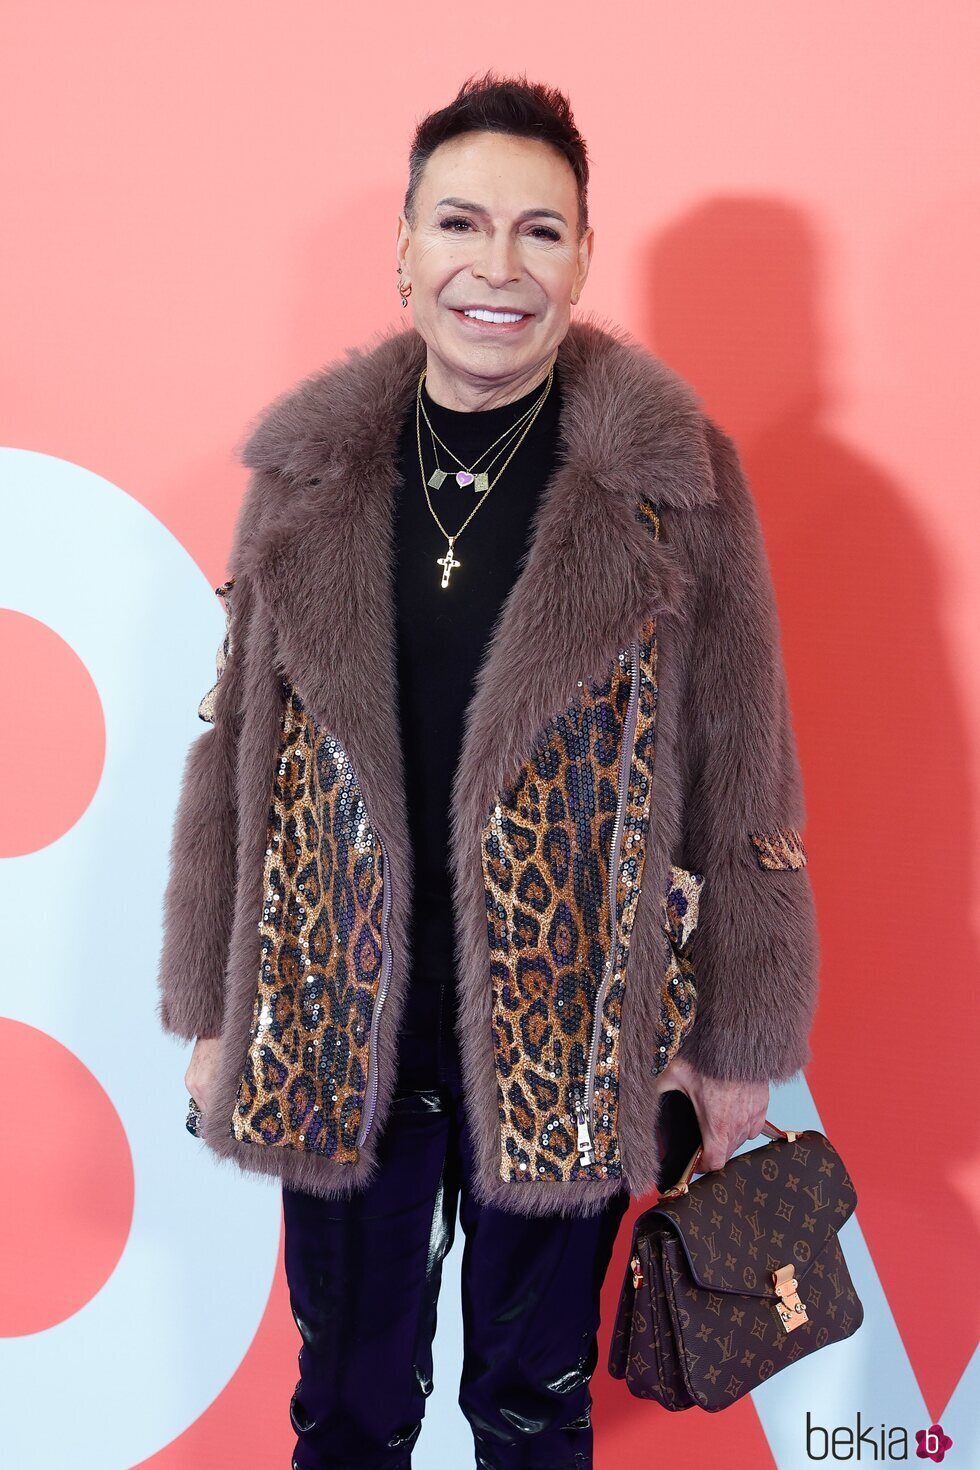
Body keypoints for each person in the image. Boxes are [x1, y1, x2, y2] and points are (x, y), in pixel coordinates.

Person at [156, 71, 819, 1470]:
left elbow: (743, 763)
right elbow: (240, 751)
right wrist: (217, 998)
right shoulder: (311, 472)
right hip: (345, 1012)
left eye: (539, 230)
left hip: (579, 1022)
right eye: (461, 223)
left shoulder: (674, 477)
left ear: (585, 252)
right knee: (345, 1401)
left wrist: (740, 1034)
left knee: (531, 1403)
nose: (496, 267)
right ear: (404, 250)